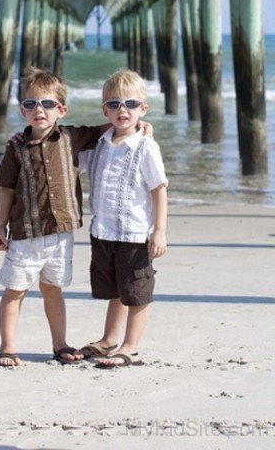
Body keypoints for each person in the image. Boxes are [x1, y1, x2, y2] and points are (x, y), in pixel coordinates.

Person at [0, 67, 152, 367]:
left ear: (61, 110)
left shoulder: (73, 137)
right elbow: (6, 189)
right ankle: (8, 346)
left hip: (60, 234)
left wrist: (143, 124)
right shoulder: (15, 147)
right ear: (22, 110)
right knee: (15, 291)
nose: (39, 110)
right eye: (31, 104)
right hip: (24, 235)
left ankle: (60, 344)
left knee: (53, 290)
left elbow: (112, 127)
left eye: (48, 104)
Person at [79, 69, 168, 368]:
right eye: (114, 104)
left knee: (136, 291)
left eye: (130, 104)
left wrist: (160, 230)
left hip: (134, 233)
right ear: (105, 110)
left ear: (143, 108)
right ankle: (108, 340)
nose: (122, 110)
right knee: (115, 290)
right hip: (103, 231)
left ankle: (130, 346)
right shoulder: (99, 145)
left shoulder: (146, 146)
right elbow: (65, 155)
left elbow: (159, 189)